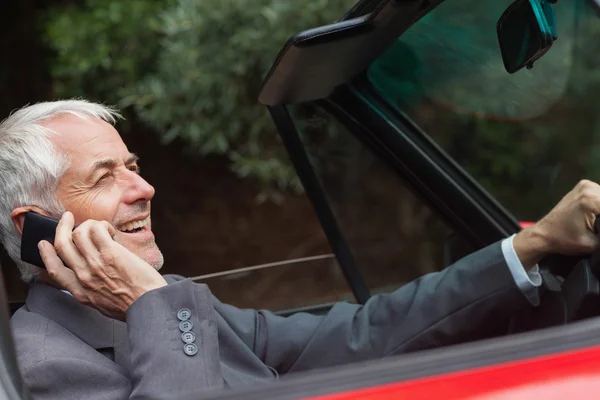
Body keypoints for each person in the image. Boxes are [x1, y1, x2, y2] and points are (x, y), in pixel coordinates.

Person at [2, 100, 599, 399]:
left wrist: (532, 244)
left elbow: (359, 336)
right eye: (105, 177)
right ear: (39, 226)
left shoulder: (171, 305)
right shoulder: (41, 368)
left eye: (134, 166)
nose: (144, 188)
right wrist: (152, 304)